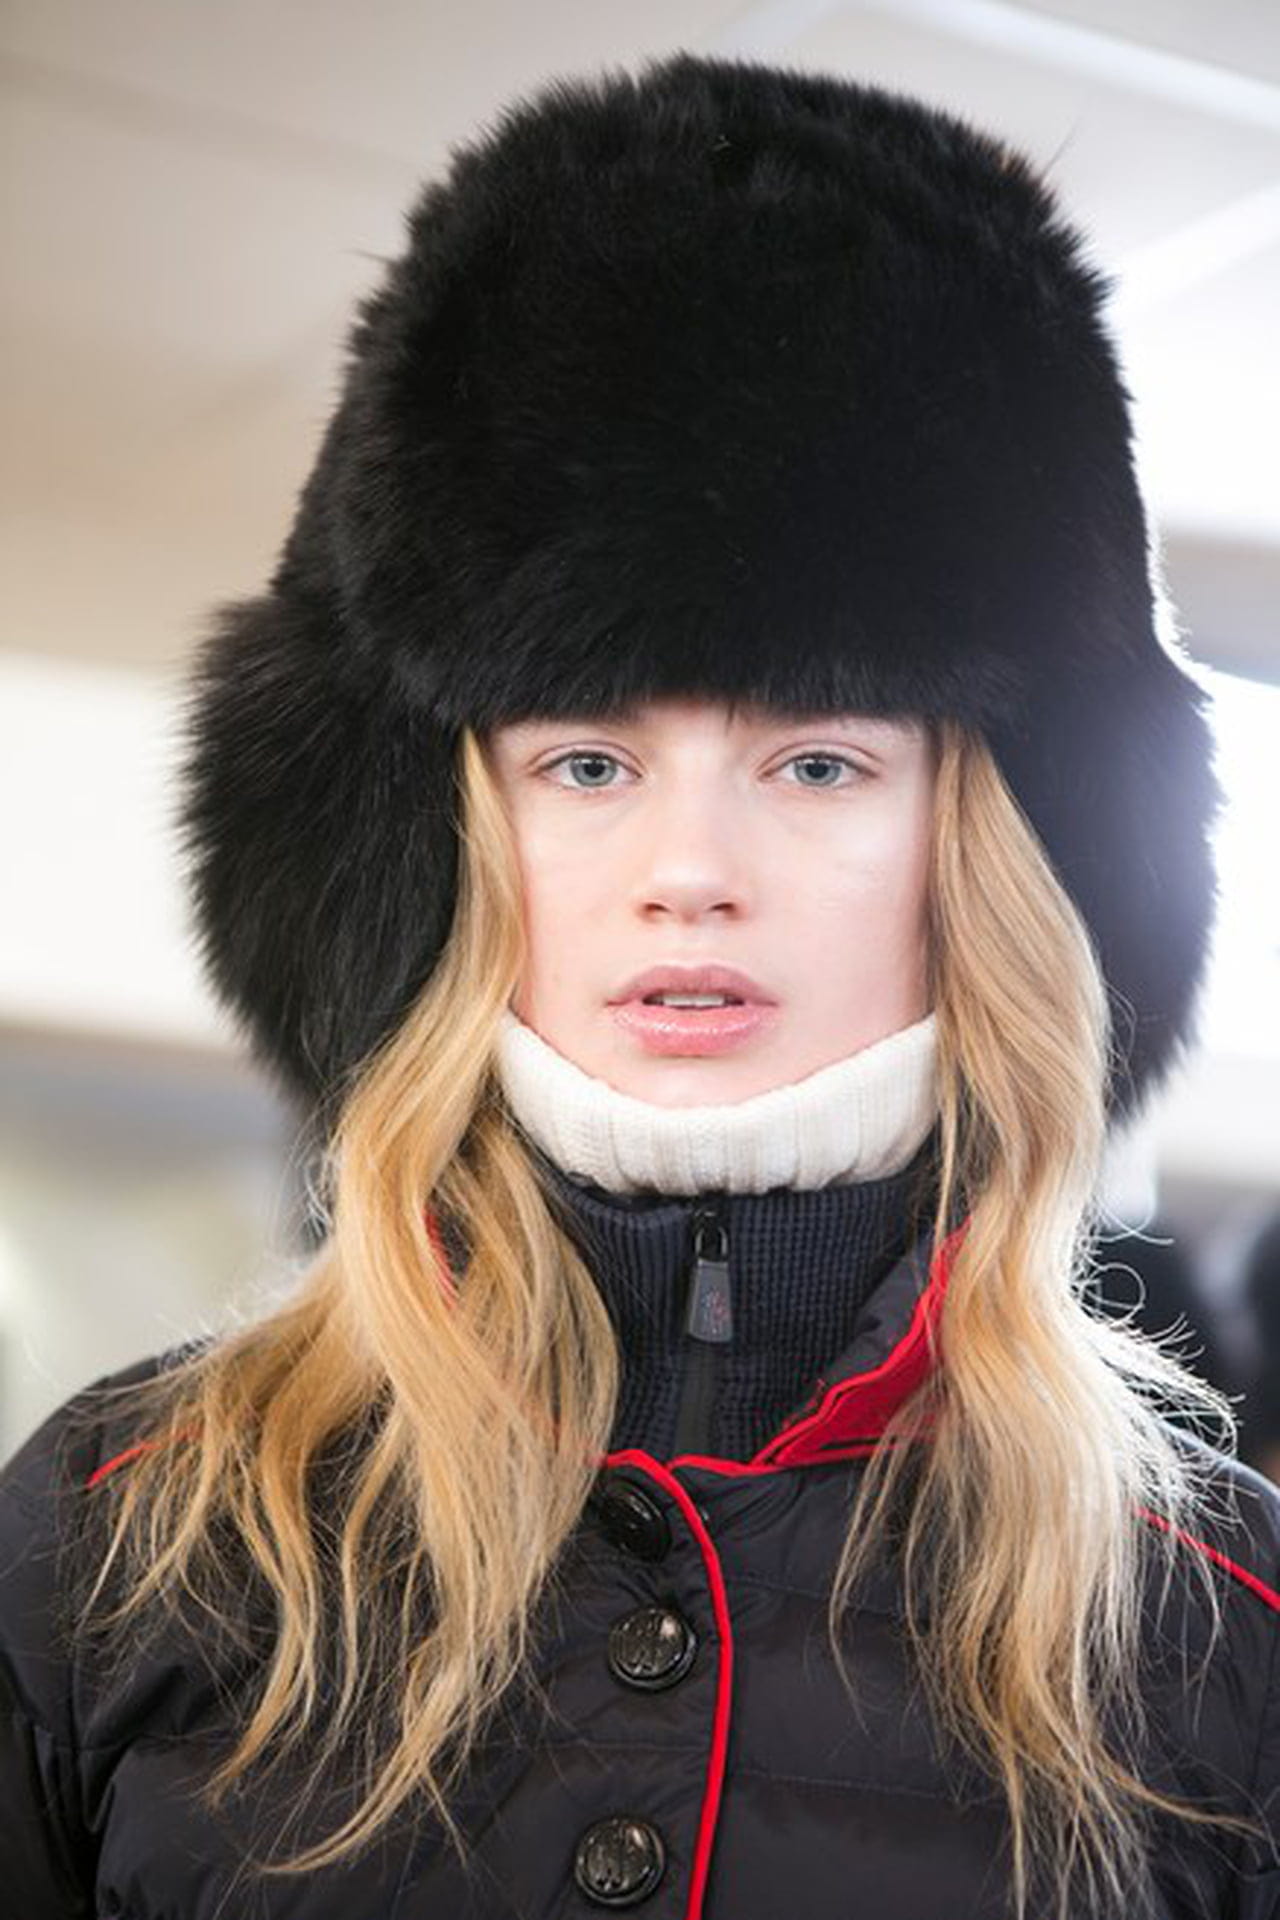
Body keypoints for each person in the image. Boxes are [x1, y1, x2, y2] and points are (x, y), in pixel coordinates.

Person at [1, 50, 1277, 1920]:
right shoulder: (118, 1535)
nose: (692, 870)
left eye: (818, 764)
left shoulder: (1219, 1620)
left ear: (983, 850)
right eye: (588, 764)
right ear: (450, 833)